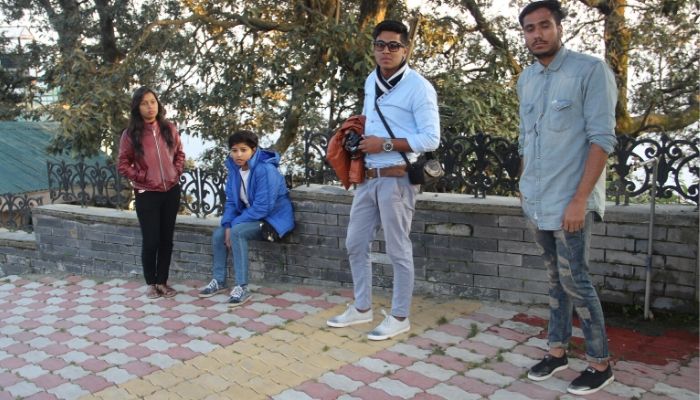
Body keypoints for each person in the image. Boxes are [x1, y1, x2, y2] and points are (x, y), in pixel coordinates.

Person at [516, 1, 618, 395]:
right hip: (537, 199)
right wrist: (524, 186)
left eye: (544, 25)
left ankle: (600, 363)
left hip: (571, 201)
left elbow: (602, 140)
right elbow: (528, 137)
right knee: (554, 281)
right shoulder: (526, 79)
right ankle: (557, 352)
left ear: (559, 27)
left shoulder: (590, 71)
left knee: (577, 281)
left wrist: (580, 199)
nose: (537, 34)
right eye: (529, 28)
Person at [326, 20, 440, 340]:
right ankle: (362, 308)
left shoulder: (419, 87)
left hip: (397, 178)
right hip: (368, 176)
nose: (386, 51)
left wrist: (385, 145)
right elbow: (369, 120)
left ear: (406, 49)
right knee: (355, 243)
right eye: (380, 45)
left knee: (398, 249)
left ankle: (400, 315)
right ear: (373, 47)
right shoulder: (370, 80)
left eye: (393, 46)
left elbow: (431, 138)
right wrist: (358, 138)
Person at [198, 130, 294, 306]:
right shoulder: (235, 170)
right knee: (219, 234)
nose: (238, 154)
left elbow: (263, 207)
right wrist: (227, 224)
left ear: (254, 149)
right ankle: (219, 280)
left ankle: (242, 287)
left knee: (238, 232)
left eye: (243, 150)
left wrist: (233, 225)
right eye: (234, 150)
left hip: (273, 220)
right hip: (252, 216)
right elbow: (232, 203)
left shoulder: (265, 169)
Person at [118, 87, 185, 299]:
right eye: (145, 103)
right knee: (151, 240)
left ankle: (163, 282)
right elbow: (122, 163)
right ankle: (150, 283)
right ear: (138, 107)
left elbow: (180, 154)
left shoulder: (169, 128)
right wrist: (142, 177)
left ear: (158, 104)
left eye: (153, 102)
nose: (150, 106)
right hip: (147, 193)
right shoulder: (130, 135)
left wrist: (176, 172)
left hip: (170, 191)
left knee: (167, 239)